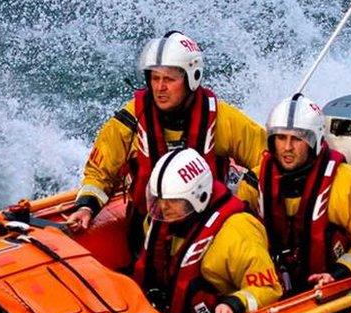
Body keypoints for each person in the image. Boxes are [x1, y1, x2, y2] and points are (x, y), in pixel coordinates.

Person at [65, 31, 268, 240]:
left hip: (209, 229)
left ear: (192, 78)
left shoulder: (222, 119)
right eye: (155, 78)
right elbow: (99, 173)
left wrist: (240, 200)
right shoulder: (131, 119)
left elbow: (267, 160)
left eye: (169, 79)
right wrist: (86, 207)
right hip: (147, 230)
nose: (160, 88)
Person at [236, 93, 351, 294]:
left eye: (297, 139)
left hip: (333, 284)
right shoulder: (254, 183)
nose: (287, 148)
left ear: (314, 141)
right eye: (281, 138)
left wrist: (340, 272)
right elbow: (240, 240)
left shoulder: (348, 181)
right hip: (274, 289)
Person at [133, 148, 282, 313]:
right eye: (160, 199)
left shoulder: (238, 232)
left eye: (173, 200)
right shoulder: (159, 223)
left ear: (198, 197)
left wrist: (235, 303)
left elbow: (268, 288)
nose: (164, 207)